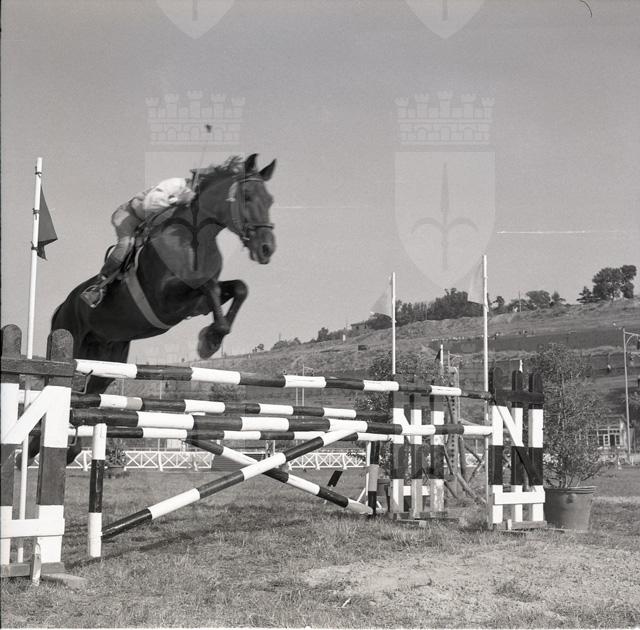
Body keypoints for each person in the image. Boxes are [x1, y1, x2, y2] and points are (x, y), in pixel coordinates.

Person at [81, 177, 196, 308]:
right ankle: (98, 286)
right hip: (129, 215)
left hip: (147, 226)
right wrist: (177, 200)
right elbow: (149, 204)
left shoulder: (194, 205)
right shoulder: (177, 184)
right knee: (126, 245)